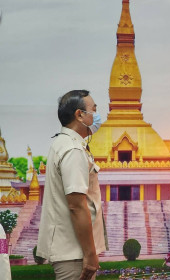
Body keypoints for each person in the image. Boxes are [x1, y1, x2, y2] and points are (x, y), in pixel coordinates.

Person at [37, 90, 107, 280]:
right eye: (94, 109)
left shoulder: (63, 143)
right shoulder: (73, 149)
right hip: (75, 254)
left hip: (72, 252)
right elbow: (76, 205)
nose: (97, 114)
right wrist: (91, 255)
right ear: (79, 115)